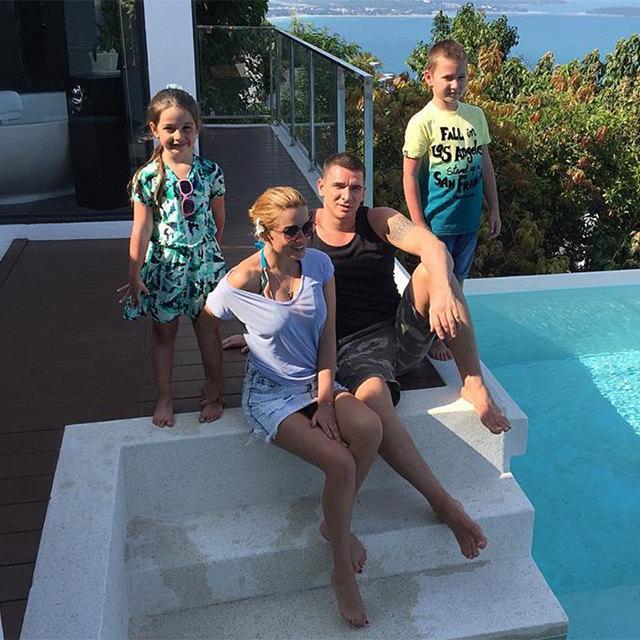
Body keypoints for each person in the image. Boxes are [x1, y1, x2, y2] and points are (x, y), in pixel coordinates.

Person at [206, 186, 383, 628]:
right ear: (264, 232)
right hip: (269, 393)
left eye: (307, 227)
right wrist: (215, 385)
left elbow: (326, 336)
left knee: (370, 429)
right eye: (292, 231)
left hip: (315, 382)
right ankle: (341, 572)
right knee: (341, 463)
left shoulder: (319, 265)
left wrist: (325, 400)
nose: (303, 237)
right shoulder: (242, 281)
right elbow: (206, 317)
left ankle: (332, 523)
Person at [118, 87, 226, 428]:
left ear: (197, 128)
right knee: (164, 333)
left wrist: (207, 254)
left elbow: (218, 219)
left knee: (209, 329)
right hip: (166, 268)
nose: (179, 136)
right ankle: (165, 397)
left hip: (203, 265)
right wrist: (134, 273)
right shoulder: (147, 177)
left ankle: (215, 391)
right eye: (169, 128)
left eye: (186, 127)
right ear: (154, 130)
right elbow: (141, 228)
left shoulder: (210, 172)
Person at [402, 39, 501, 360]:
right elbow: (409, 176)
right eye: (447, 77)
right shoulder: (422, 122)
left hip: (468, 224)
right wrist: (418, 225)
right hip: (437, 225)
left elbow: (485, 164)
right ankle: (435, 340)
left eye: (461, 77)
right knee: (438, 283)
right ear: (428, 77)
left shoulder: (475, 116)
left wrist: (494, 208)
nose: (455, 84)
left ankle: (445, 335)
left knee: (457, 282)